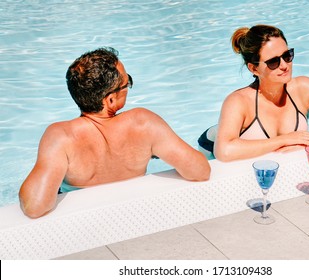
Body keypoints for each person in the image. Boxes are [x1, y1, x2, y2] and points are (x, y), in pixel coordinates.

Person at [19, 47, 211, 218]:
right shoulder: (143, 123)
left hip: (82, 221)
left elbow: (35, 206)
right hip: (138, 214)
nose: (128, 88)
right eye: (127, 84)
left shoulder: (62, 136)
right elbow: (200, 171)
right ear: (110, 100)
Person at [198, 24, 309, 161]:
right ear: (254, 68)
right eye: (273, 62)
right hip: (211, 147)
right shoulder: (239, 100)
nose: (284, 65)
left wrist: (306, 140)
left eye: (287, 55)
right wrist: (284, 140)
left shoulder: (303, 88)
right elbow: (224, 151)